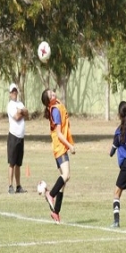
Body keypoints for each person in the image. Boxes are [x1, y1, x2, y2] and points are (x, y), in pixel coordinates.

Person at [41, 89, 75, 223]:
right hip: (60, 146)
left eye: (53, 92)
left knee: (65, 179)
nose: (54, 94)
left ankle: (56, 212)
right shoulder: (54, 110)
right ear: (49, 101)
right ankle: (51, 194)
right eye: (51, 95)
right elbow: (59, 134)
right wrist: (70, 146)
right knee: (66, 175)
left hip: (60, 147)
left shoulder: (57, 105)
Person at [7, 83, 29, 194]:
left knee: (18, 164)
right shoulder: (10, 105)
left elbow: (27, 113)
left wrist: (21, 111)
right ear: (10, 93)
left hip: (21, 137)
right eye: (12, 91)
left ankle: (18, 186)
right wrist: (21, 112)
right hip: (13, 136)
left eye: (15, 91)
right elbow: (16, 117)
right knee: (12, 162)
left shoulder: (20, 103)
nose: (14, 93)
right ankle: (10, 185)